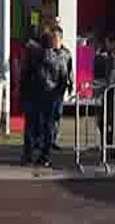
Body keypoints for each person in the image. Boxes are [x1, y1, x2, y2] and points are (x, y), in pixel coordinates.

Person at [40, 26, 74, 161]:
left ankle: (53, 139)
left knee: (57, 116)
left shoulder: (66, 53)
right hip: (49, 90)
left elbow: (69, 69)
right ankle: (46, 145)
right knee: (48, 119)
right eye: (51, 38)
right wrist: (46, 84)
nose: (52, 40)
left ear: (60, 38)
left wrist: (70, 84)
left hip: (60, 90)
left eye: (54, 37)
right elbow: (43, 71)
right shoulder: (47, 52)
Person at [19, 34, 47, 166]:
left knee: (30, 126)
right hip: (39, 95)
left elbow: (24, 76)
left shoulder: (32, 57)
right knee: (38, 125)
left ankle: (29, 154)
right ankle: (37, 152)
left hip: (31, 94)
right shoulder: (43, 55)